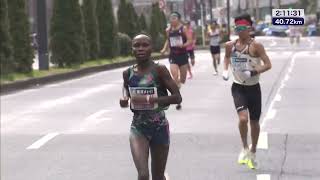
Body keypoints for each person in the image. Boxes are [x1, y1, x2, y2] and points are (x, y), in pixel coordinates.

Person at [120, 34, 182, 180]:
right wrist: (124, 99)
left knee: (158, 176)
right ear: (132, 49)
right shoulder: (127, 73)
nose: (140, 48)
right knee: (143, 175)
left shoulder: (159, 70)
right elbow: (125, 90)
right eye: (137, 45)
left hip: (159, 127)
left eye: (144, 45)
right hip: (138, 128)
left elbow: (177, 97)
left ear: (151, 48)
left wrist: (152, 100)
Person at [222, 13, 272, 169]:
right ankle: (244, 147)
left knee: (255, 122)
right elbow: (226, 58)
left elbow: (268, 64)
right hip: (238, 87)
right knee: (243, 119)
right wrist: (225, 70)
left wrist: (254, 72)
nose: (240, 31)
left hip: (254, 88)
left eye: (243, 28)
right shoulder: (230, 45)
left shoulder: (256, 46)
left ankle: (253, 151)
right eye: (237, 28)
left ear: (249, 28)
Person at [161, 12, 192, 110]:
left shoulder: (184, 28)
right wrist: (164, 48)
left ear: (178, 19)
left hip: (183, 55)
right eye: (171, 18)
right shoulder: (168, 30)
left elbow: (190, 41)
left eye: (174, 18)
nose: (172, 20)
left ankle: (177, 91)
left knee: (182, 80)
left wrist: (183, 45)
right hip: (173, 55)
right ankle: (177, 96)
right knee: (175, 77)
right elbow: (167, 40)